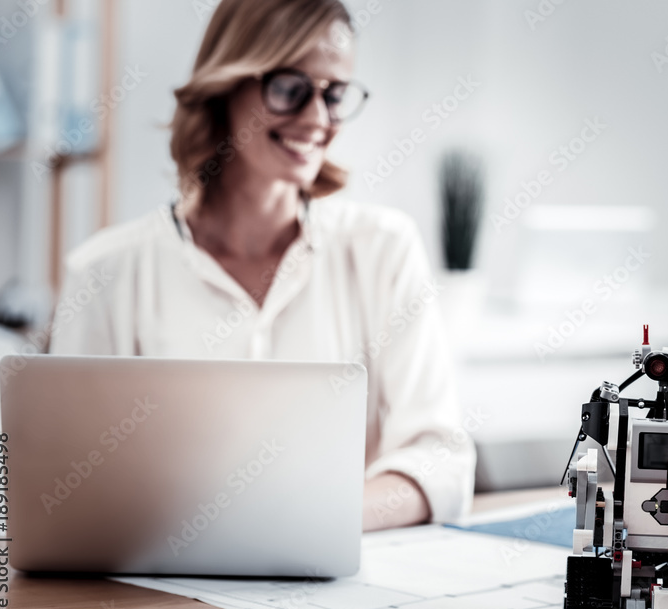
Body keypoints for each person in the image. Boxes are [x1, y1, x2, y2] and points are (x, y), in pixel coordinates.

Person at [48, 0, 475, 530]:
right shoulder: (106, 272)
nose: (318, 119)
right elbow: (63, 484)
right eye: (289, 88)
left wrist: (296, 521)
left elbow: (441, 462)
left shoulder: (383, 248)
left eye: (335, 94)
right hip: (156, 599)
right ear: (226, 85)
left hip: (332, 592)